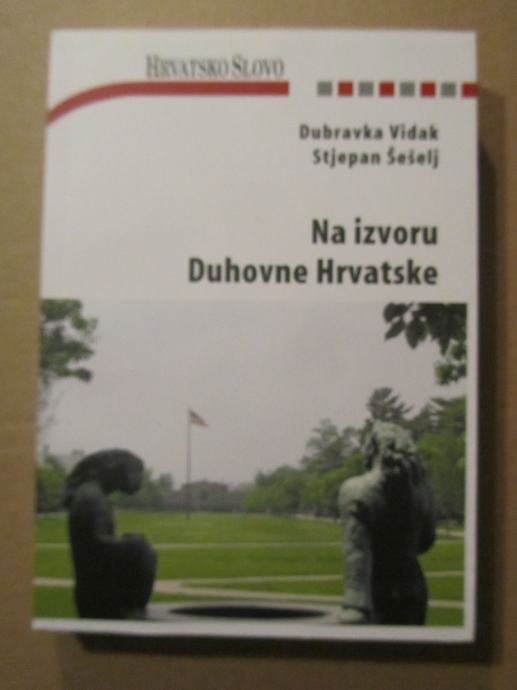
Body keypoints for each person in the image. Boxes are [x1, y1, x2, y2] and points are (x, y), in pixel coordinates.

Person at [338, 422, 436, 625]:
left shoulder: (355, 490)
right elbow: (425, 542)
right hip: (414, 591)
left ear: (372, 448)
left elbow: (356, 552)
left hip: (377, 593)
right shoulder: (422, 490)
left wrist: (355, 606)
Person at [64, 448, 157, 619]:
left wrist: (126, 543)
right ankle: (131, 609)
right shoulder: (91, 497)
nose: (139, 479)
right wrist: (132, 546)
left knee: (139, 546)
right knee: (142, 549)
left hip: (96, 592)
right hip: (96, 597)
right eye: (137, 473)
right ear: (120, 471)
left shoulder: (94, 495)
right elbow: (93, 548)